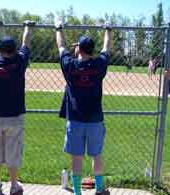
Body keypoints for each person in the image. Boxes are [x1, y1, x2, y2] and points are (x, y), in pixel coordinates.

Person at [55, 21, 112, 195]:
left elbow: (61, 46)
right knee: (97, 155)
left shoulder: (70, 65)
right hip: (95, 119)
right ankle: (100, 188)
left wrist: (58, 28)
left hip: (75, 119)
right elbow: (106, 47)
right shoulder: (98, 64)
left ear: (79, 49)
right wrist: (108, 29)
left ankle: (78, 192)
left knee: (77, 158)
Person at [0, 19, 34, 195]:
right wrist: (27, 26)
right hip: (14, 115)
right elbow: (26, 43)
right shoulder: (19, 61)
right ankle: (13, 185)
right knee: (13, 151)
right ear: (14, 50)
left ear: (0, 50)